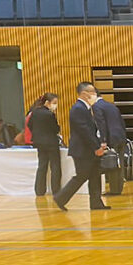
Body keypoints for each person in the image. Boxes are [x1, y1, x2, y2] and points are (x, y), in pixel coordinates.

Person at [55, 82, 111, 212]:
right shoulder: (78, 109)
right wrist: (96, 147)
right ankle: (61, 198)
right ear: (84, 94)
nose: (94, 95)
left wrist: (98, 145)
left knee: (94, 175)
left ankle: (96, 202)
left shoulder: (84, 108)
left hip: (88, 149)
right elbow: (84, 131)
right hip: (82, 150)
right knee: (82, 175)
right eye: (92, 92)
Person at [29, 93, 62, 196]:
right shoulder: (50, 114)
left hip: (39, 143)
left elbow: (30, 125)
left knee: (42, 166)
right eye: (54, 103)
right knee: (55, 166)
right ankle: (56, 190)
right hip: (51, 142)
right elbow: (55, 129)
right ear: (47, 103)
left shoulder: (34, 112)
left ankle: (39, 190)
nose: (55, 105)